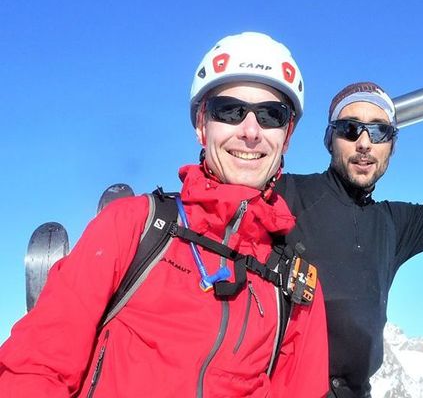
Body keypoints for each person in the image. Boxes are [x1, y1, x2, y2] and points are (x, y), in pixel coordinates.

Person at [0, 32, 329, 397]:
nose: (250, 131)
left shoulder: (293, 285)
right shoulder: (134, 226)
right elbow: (36, 367)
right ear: (202, 124)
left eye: (271, 115)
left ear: (287, 135)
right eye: (230, 110)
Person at [274, 62, 423, 397]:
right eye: (349, 128)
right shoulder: (287, 195)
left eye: (379, 131)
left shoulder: (396, 224)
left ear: (392, 146)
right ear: (330, 140)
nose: (364, 142)